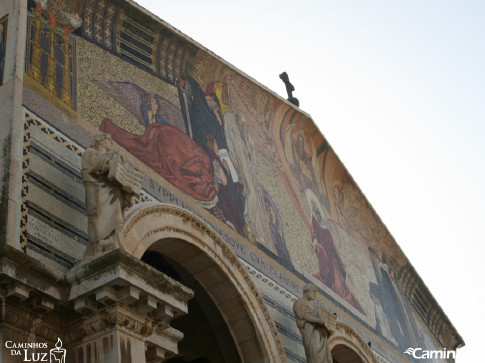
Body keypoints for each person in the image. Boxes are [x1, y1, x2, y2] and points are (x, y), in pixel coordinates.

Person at [81, 133, 135, 259]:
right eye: (108, 140)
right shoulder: (90, 152)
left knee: (118, 220)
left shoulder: (111, 156)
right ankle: (99, 247)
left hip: (113, 195)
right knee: (99, 218)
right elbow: (95, 165)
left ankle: (115, 243)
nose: (111, 142)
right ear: (99, 141)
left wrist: (127, 188)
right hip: (98, 193)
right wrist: (111, 156)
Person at [293, 284, 334, 363]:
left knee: (326, 357)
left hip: (320, 333)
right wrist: (318, 320)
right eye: (314, 291)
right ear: (306, 291)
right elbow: (303, 315)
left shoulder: (315, 306)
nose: (315, 294)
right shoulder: (299, 303)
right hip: (310, 333)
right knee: (315, 356)